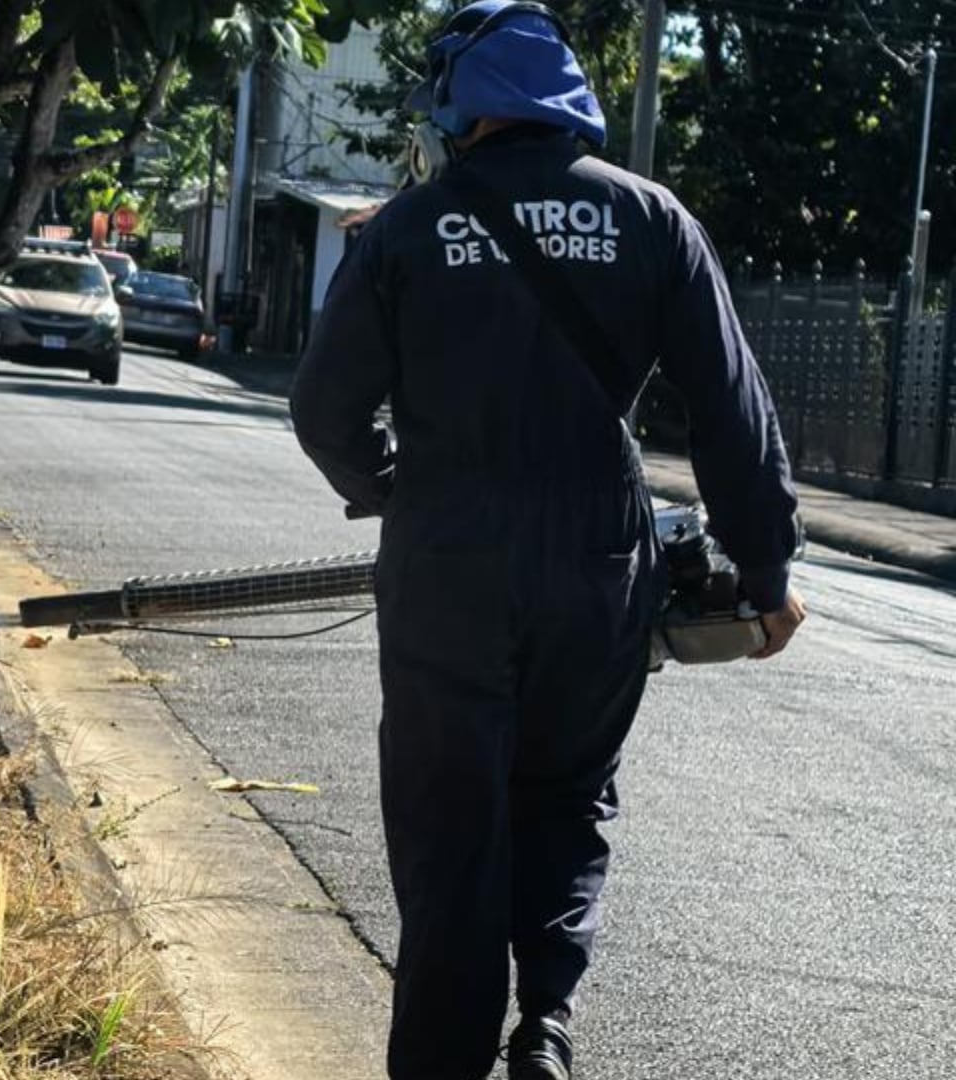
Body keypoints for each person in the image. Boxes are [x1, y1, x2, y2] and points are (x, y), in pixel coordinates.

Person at [288, 4, 807, 1079]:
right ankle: (547, 1030)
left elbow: (325, 412)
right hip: (598, 562)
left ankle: (441, 1056)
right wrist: (766, 573)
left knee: (450, 813)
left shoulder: (404, 229)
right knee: (567, 797)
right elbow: (732, 410)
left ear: (458, 101)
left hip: (446, 562)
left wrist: (389, 491)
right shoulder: (654, 220)